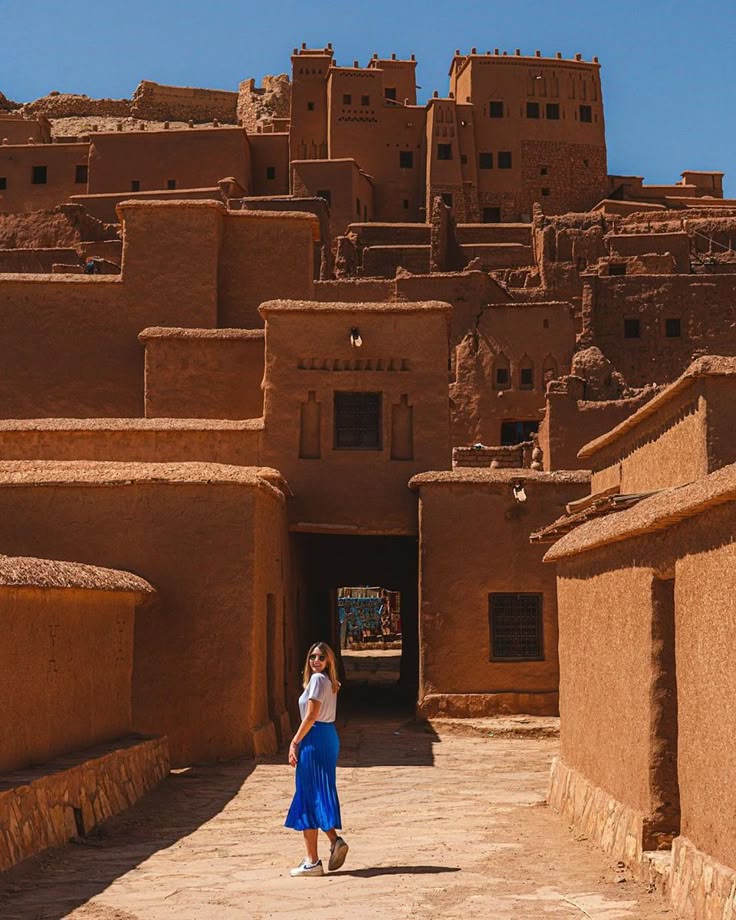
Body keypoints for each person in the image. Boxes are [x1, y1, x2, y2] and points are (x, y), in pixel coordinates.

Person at [285, 641, 349, 877]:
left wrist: (295, 741)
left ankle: (316, 858)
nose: (316, 661)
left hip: (315, 738)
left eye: (321, 657)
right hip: (327, 736)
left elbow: (311, 715)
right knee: (314, 793)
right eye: (313, 656)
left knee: (308, 794)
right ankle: (326, 848)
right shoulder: (330, 683)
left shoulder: (317, 680)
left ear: (329, 661)